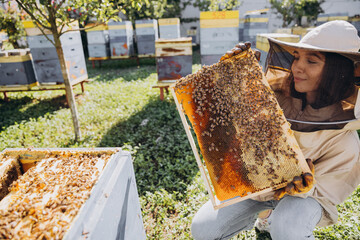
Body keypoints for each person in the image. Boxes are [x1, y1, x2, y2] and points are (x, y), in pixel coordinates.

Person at [191, 20, 360, 240]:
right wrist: (235, 78)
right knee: (203, 229)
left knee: (287, 227)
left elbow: (329, 191)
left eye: (312, 61)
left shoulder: (346, 143)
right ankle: (266, 213)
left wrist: (304, 188)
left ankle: (277, 219)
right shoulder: (277, 98)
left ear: (337, 70)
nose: (297, 66)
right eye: (297, 56)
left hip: (303, 202)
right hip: (258, 187)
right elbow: (237, 126)